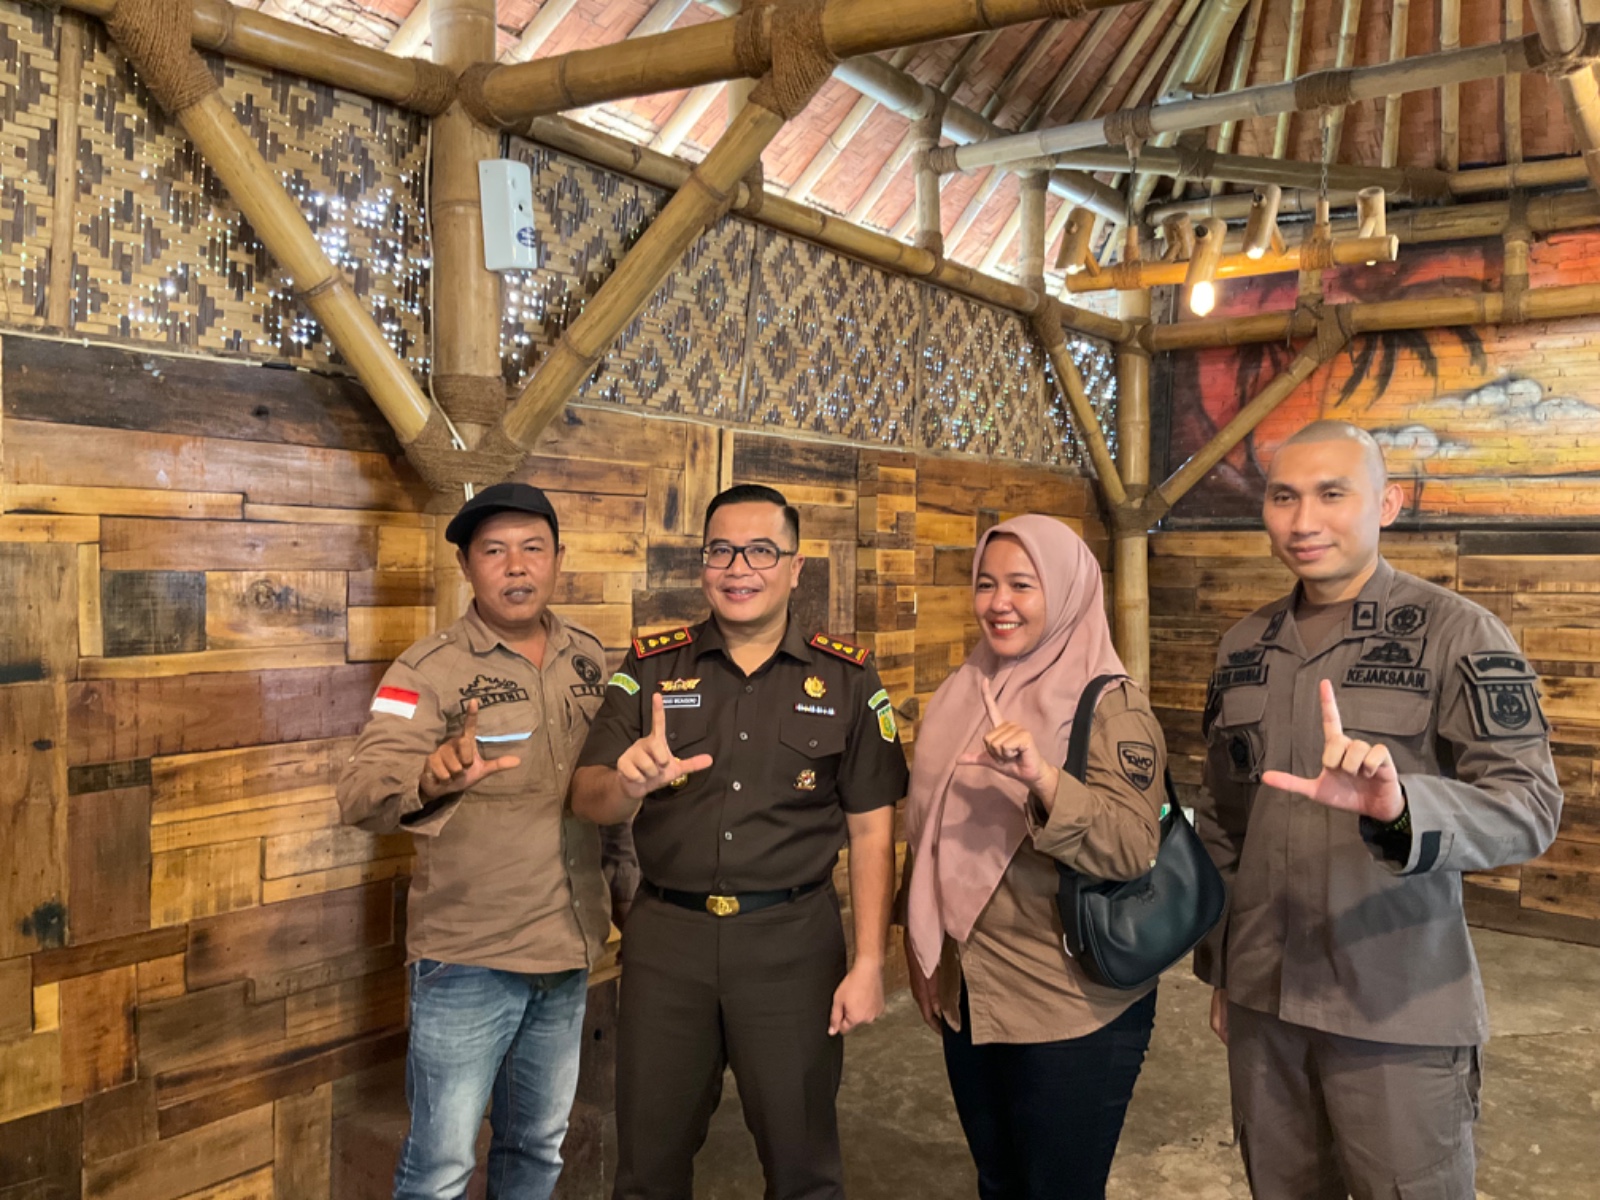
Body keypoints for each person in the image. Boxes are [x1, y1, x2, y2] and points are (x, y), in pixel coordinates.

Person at [1193, 420, 1563, 1199]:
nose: (1303, 521)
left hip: (1396, 1008)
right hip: (1264, 1006)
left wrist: (1403, 811)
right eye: (1283, 497)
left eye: (1332, 494)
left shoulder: (1457, 633)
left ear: (1387, 504)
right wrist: (1223, 969)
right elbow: (1224, 824)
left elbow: (1528, 806)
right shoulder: (1242, 647)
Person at [571, 483, 907, 1200]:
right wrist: (627, 784)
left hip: (793, 945)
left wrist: (871, 961)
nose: (738, 568)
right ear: (702, 564)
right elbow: (587, 794)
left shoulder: (846, 677)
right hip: (668, 943)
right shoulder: (652, 666)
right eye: (720, 551)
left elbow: (873, 828)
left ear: (795, 566)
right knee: (647, 1170)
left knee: (802, 1167)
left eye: (761, 551)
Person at [338, 482, 616, 1200]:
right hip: (468, 959)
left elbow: (608, 797)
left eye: (533, 548)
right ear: (466, 566)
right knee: (440, 1169)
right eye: (494, 551)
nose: (516, 566)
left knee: (537, 1150)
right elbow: (360, 794)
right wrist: (428, 778)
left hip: (568, 947)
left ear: (558, 559)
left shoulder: (590, 659)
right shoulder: (426, 670)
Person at [901, 514, 1168, 1200]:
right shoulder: (968, 688)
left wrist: (1044, 780)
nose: (999, 603)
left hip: (1068, 1005)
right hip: (972, 992)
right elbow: (930, 830)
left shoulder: (1111, 707)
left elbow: (1132, 846)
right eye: (986, 584)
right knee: (998, 1181)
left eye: (1023, 584)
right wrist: (922, 951)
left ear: (1068, 591)